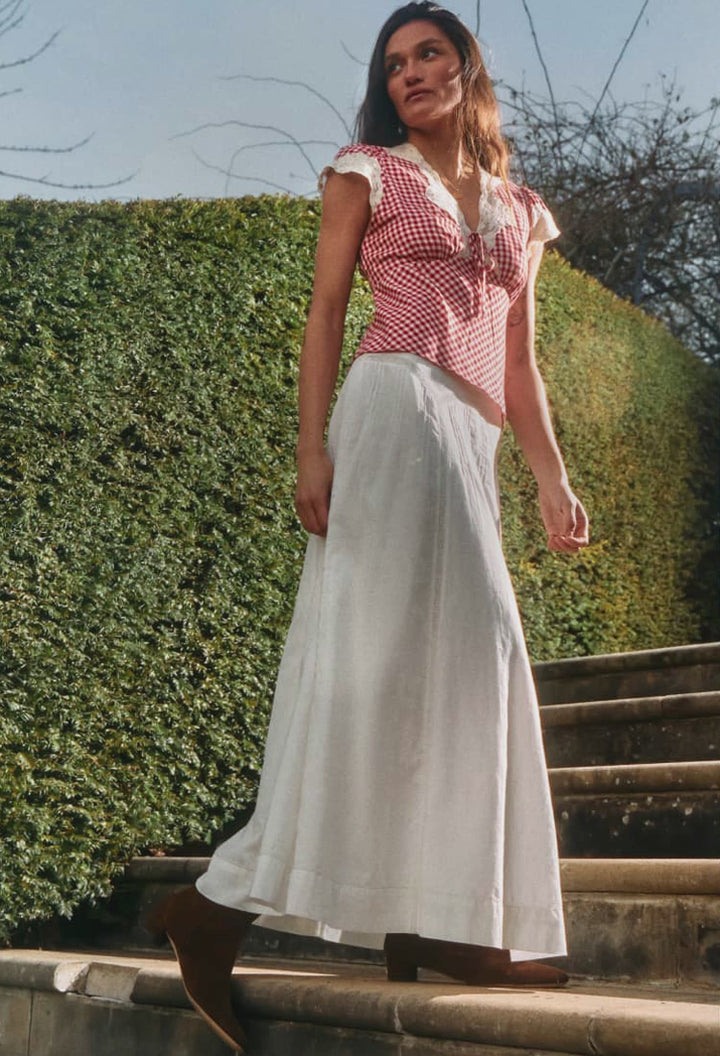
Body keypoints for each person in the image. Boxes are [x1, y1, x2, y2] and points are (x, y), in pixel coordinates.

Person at [147, 3, 590, 1051]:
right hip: (392, 408)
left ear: (468, 65)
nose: (410, 74)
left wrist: (552, 479)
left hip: (471, 437)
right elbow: (326, 310)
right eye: (394, 64)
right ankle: (213, 907)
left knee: (468, 664)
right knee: (375, 659)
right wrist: (312, 449)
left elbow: (518, 360)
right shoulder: (367, 172)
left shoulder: (523, 210)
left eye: (429, 53)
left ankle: (443, 915)